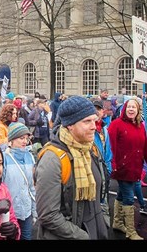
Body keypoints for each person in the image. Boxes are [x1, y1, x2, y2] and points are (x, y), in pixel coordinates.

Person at [35, 95, 109, 239]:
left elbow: (101, 192)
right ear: (70, 125)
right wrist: (82, 236)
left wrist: (104, 221)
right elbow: (48, 215)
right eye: (87, 121)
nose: (94, 126)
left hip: (95, 229)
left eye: (94, 120)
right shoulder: (52, 159)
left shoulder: (90, 149)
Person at [108, 98, 147, 240]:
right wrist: (114, 165)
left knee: (121, 194)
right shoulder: (116, 124)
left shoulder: (140, 126)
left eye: (134, 107)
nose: (131, 109)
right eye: (129, 107)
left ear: (137, 111)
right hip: (122, 169)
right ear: (124, 109)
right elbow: (111, 147)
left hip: (135, 167)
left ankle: (117, 222)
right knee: (129, 197)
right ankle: (131, 231)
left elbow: (145, 148)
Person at [2, 122, 37, 240]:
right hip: (10, 212)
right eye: (21, 138)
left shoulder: (30, 157)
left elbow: (32, 186)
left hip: (27, 210)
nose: (25, 141)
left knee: (27, 237)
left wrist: (34, 209)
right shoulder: (4, 158)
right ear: (11, 140)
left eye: (26, 138)